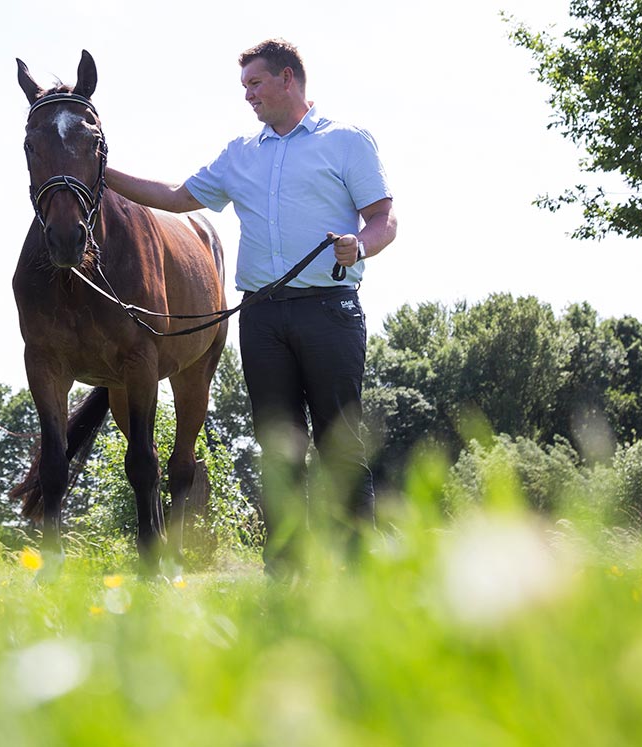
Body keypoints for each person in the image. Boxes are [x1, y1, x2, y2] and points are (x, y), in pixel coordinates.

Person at [105, 38, 398, 575]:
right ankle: (284, 571)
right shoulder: (241, 153)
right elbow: (175, 195)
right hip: (261, 316)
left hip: (330, 309)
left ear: (289, 78)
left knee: (339, 437)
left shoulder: (347, 142)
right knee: (279, 445)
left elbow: (384, 218)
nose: (248, 96)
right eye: (244, 87)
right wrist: (100, 172)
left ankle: (356, 570)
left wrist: (362, 243)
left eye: (255, 84)